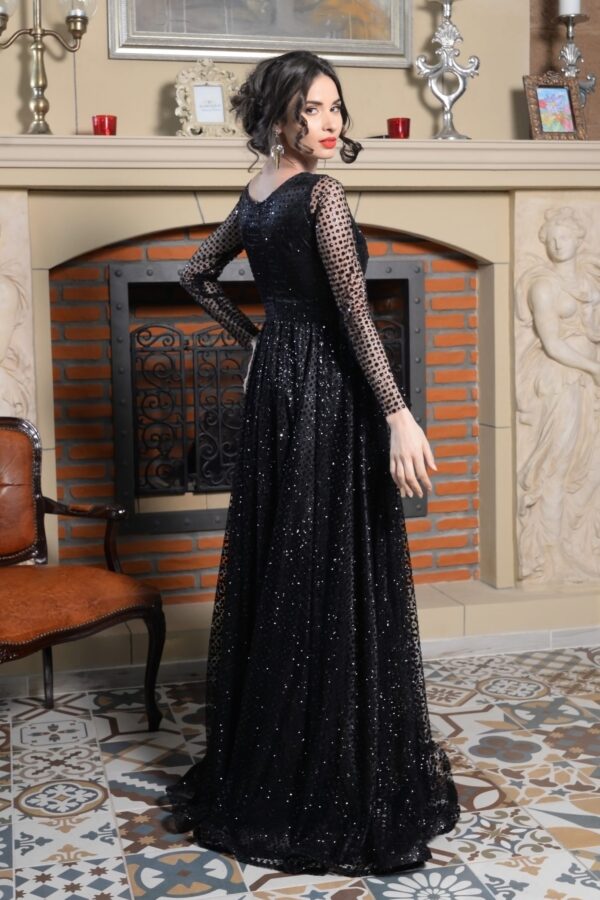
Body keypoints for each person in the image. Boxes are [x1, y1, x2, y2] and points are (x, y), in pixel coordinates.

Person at [166, 50, 460, 876]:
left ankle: (289, 757)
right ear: (278, 117)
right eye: (311, 110)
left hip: (279, 390)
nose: (328, 124)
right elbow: (357, 317)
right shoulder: (321, 196)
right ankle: (333, 770)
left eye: (335, 107)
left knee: (293, 560)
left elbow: (195, 275)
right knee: (332, 564)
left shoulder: (256, 192)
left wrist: (259, 343)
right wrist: (398, 414)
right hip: (330, 391)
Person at [515, 206, 600, 582]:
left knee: (588, 466)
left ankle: (577, 544)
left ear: (579, 239)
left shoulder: (589, 282)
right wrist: (593, 368)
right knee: (556, 463)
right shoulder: (543, 286)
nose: (556, 244)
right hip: (560, 379)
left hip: (586, 379)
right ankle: (550, 555)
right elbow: (551, 343)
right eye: (550, 238)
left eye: (563, 237)